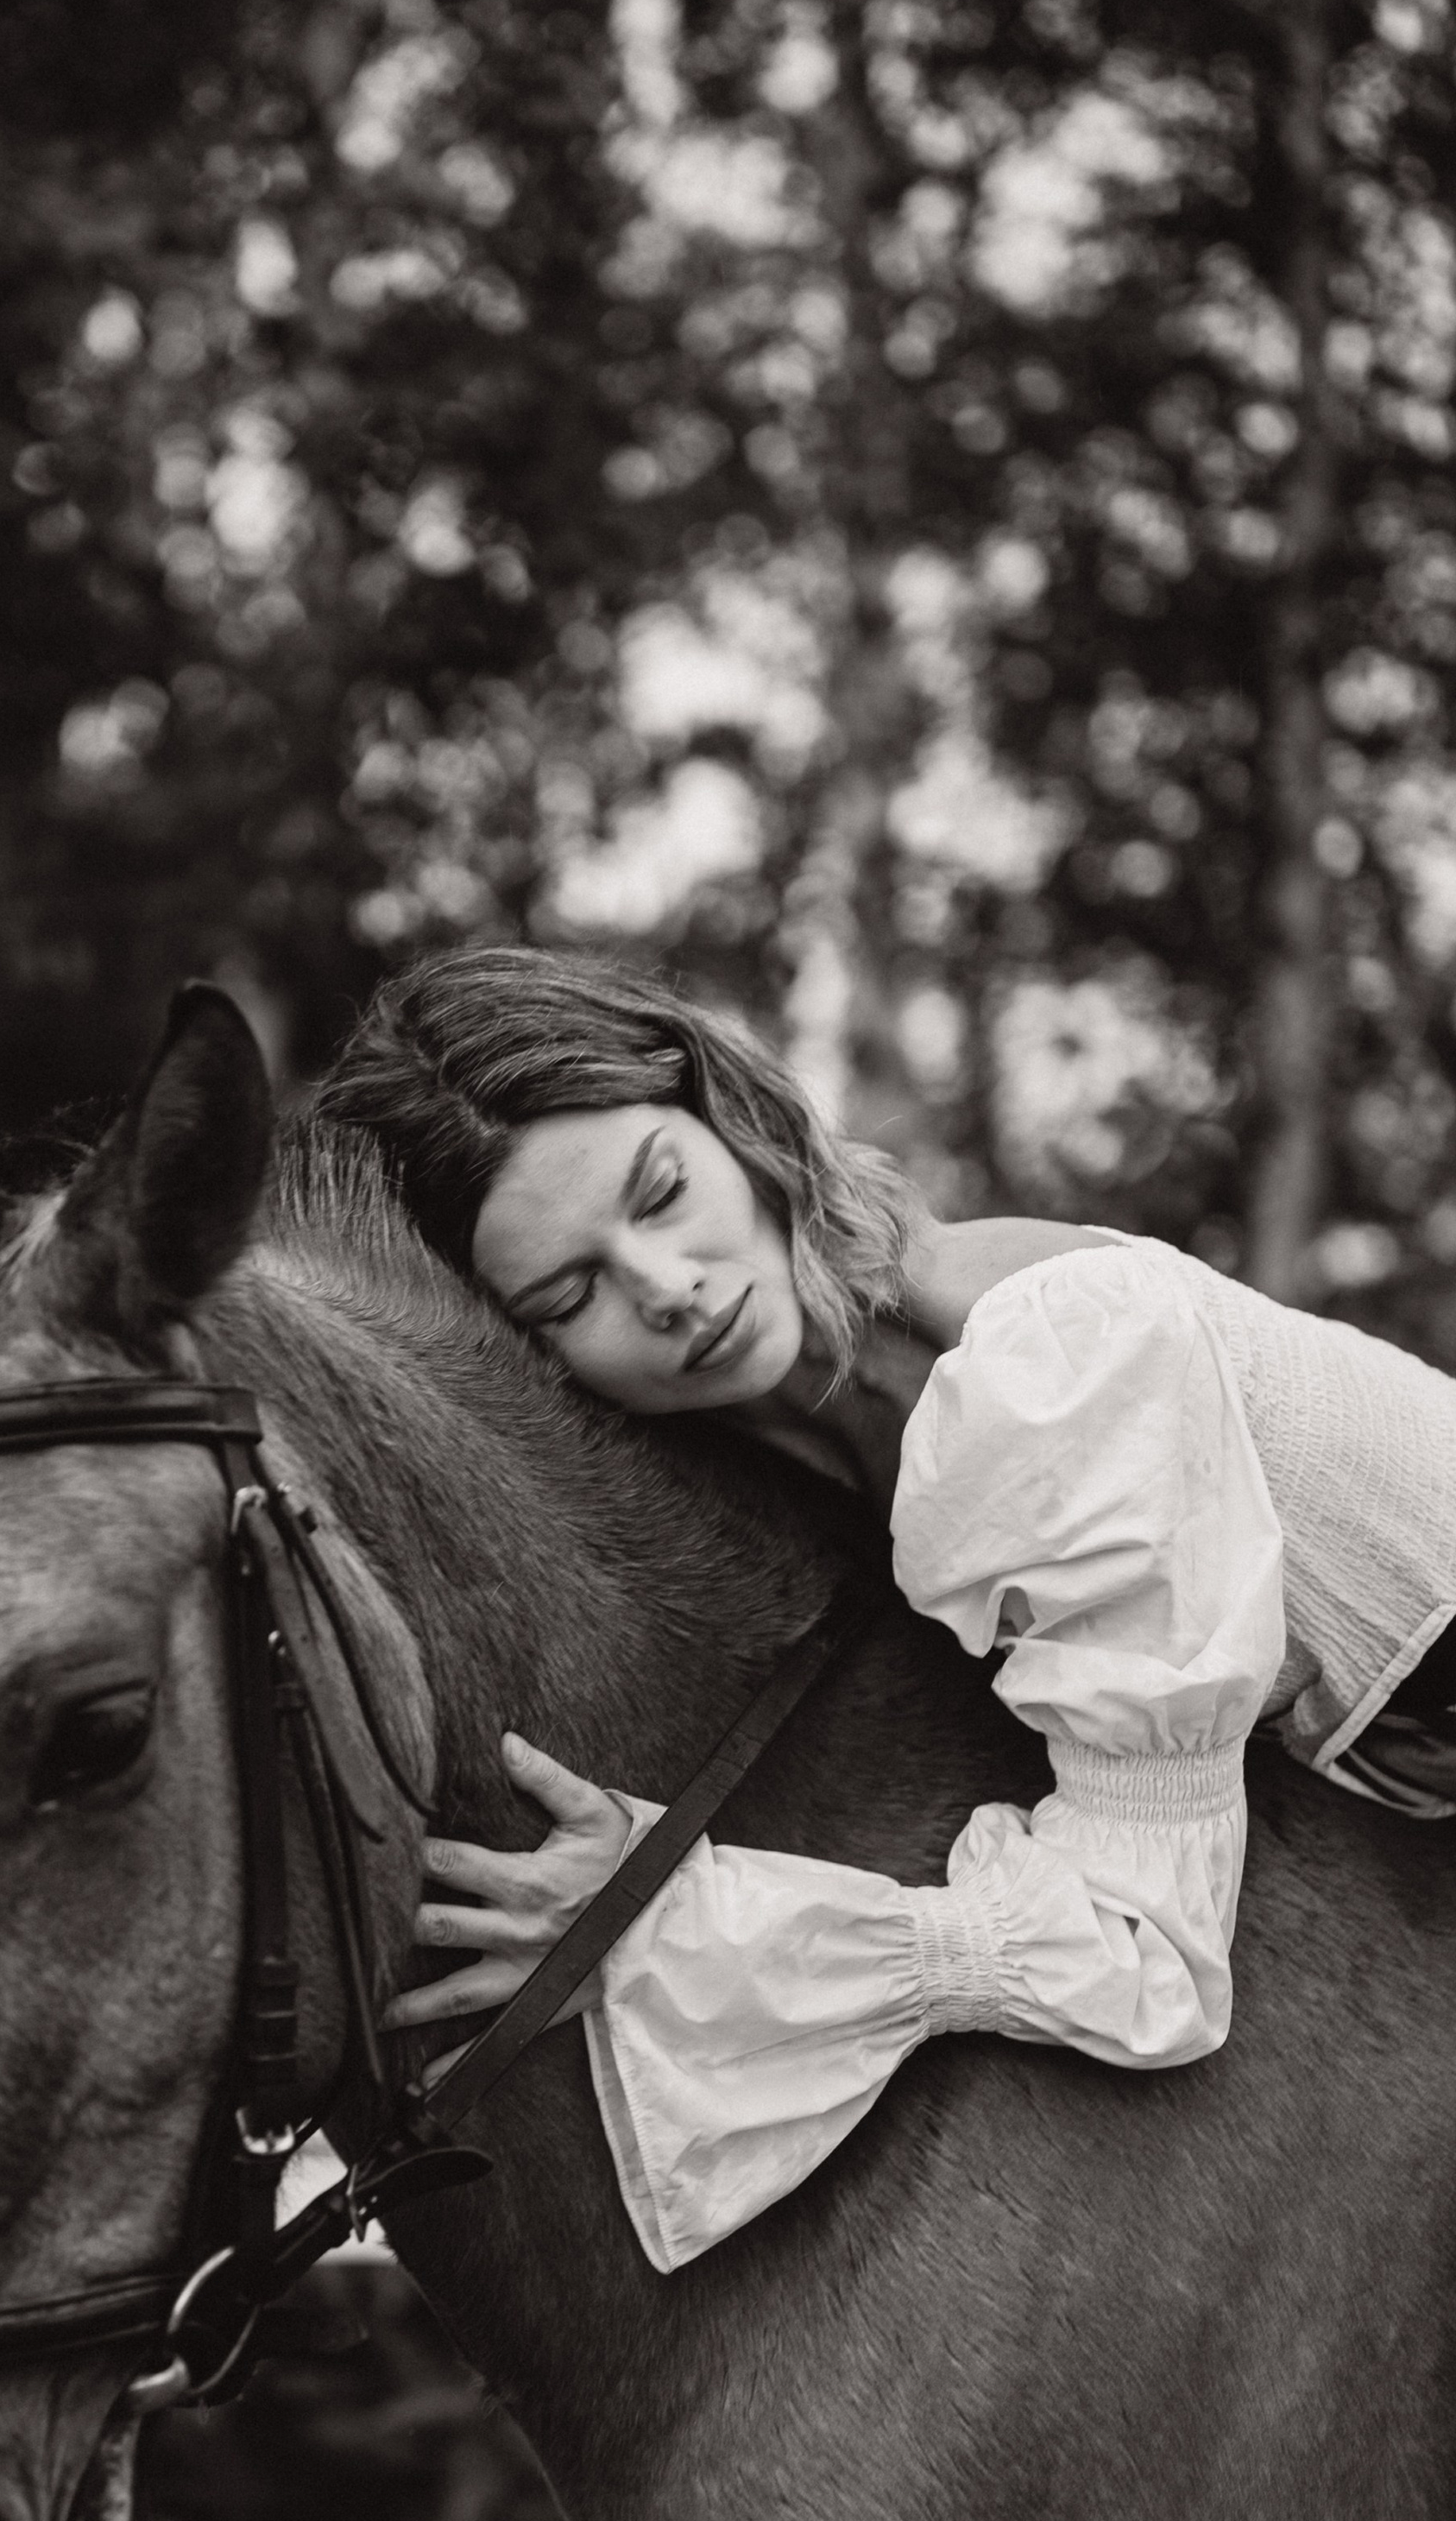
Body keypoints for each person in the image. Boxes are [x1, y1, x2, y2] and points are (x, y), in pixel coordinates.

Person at [312, 943, 1456, 2272]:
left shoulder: (1046, 1369)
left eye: (664, 1192)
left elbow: (1150, 1958)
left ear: (731, 1118)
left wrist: (667, 1918)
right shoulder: (838, 1444)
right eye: (573, 1294)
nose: (668, 1288)